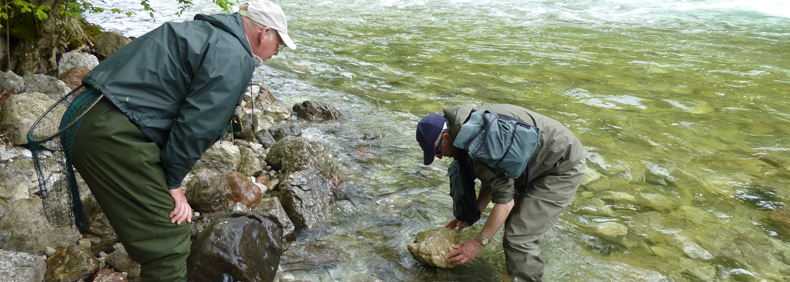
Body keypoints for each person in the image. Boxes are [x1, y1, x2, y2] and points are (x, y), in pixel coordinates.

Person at [68, 1, 296, 281]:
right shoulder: (234, 55)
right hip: (112, 133)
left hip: (90, 114)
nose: (275, 53)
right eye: (278, 45)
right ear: (264, 33)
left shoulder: (206, 32)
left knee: (155, 228)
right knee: (169, 240)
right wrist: (173, 182)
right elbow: (196, 125)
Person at [416, 104, 586, 281]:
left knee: (518, 237)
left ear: (446, 137)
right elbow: (493, 178)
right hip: (534, 160)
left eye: (436, 151)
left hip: (559, 164)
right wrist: (474, 214)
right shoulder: (467, 126)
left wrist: (478, 243)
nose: (439, 157)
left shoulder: (479, 138)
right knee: (518, 225)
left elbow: (505, 203)